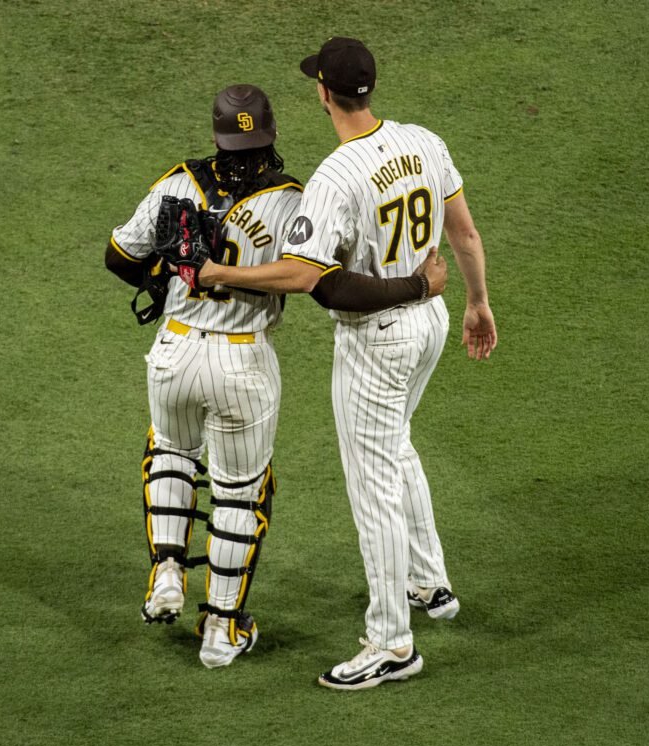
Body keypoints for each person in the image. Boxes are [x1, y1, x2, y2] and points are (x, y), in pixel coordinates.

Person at [183, 39, 497, 689]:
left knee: (372, 488)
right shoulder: (424, 142)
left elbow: (311, 279)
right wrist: (479, 304)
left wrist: (216, 270)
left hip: (379, 340)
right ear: (369, 90)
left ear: (323, 93)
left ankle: (391, 644)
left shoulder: (335, 177)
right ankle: (428, 581)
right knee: (396, 449)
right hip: (430, 329)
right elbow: (462, 232)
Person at [105, 83, 447, 669]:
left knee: (171, 453)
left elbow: (119, 257)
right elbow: (325, 286)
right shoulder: (296, 198)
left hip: (174, 352)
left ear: (216, 136)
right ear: (270, 136)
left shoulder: (176, 183)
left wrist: (175, 271)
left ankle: (166, 567)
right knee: (241, 491)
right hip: (243, 363)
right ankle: (221, 631)